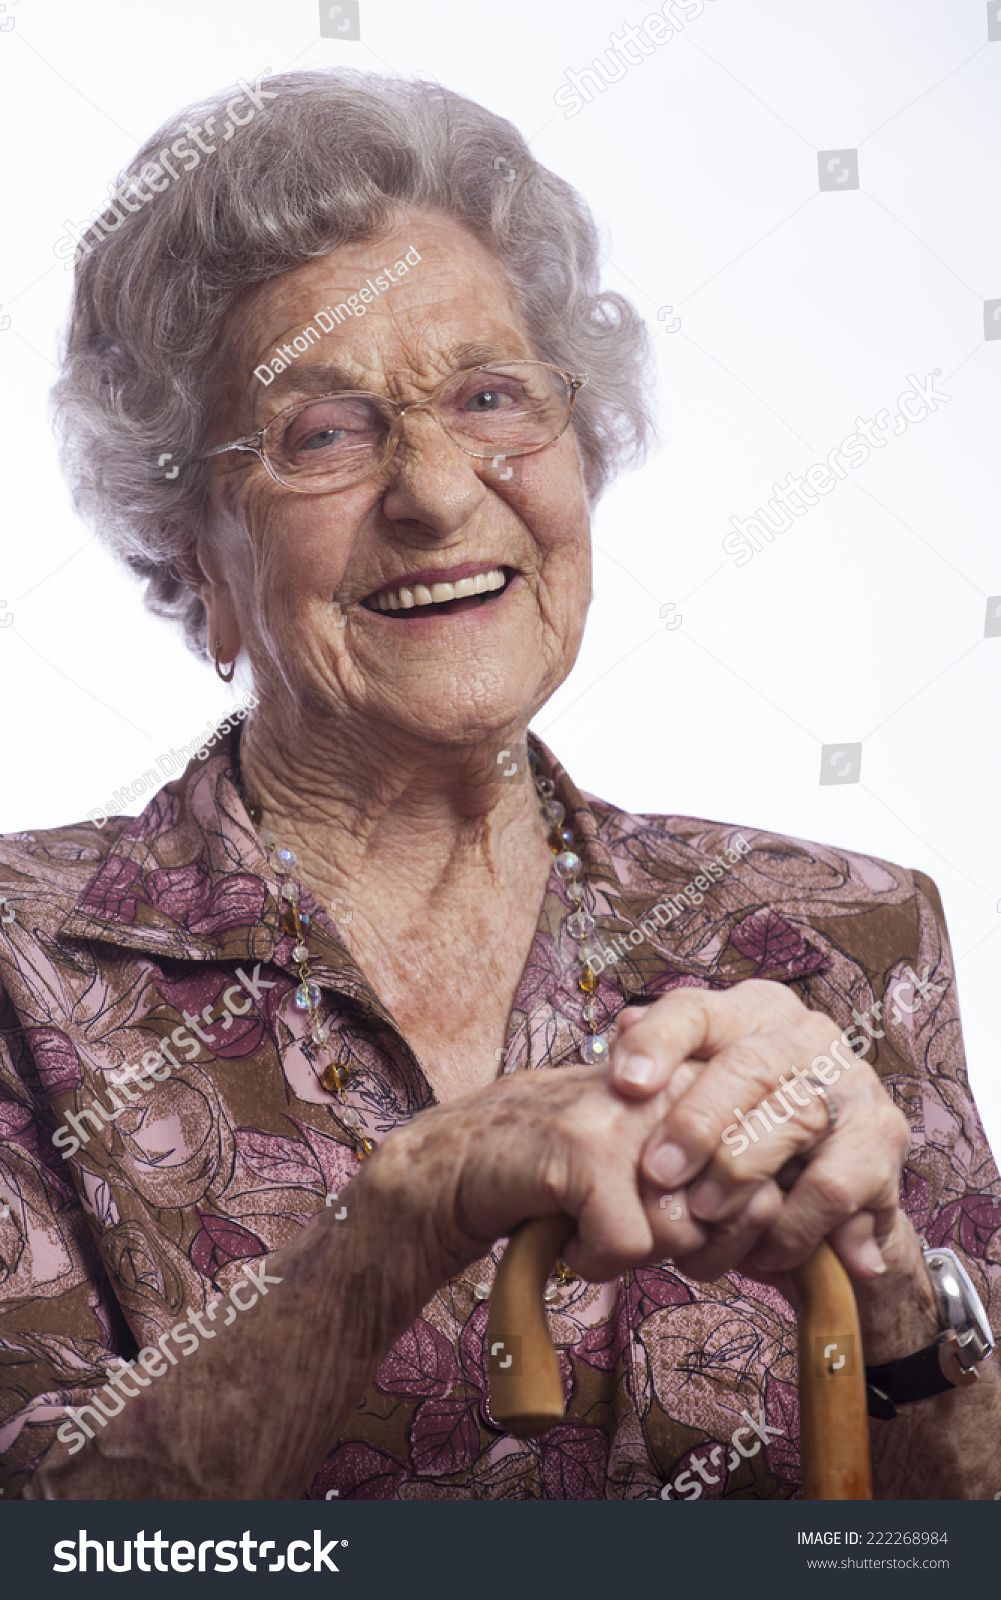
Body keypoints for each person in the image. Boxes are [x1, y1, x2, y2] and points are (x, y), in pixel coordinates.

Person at [1, 69, 998, 1502]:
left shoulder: (842, 937)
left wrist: (891, 1285)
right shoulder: (25, 972)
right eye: (324, 433)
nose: (437, 490)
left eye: (490, 398)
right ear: (191, 550)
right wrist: (405, 1213)